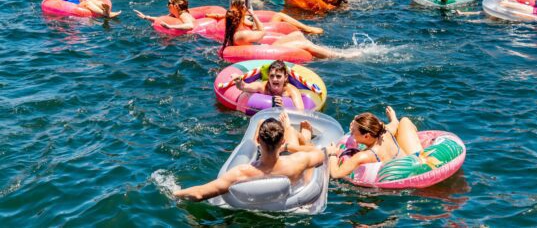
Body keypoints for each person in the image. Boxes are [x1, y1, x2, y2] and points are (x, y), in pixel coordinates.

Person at [174, 113, 324, 201]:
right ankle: (302, 135)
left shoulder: (241, 172)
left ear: (258, 140)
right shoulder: (298, 161)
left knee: (265, 128)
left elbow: (199, 194)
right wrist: (290, 147)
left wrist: (173, 192)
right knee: (293, 132)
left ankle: (272, 129)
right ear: (282, 141)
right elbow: (319, 155)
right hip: (287, 198)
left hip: (250, 202)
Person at [221, 0, 353, 59]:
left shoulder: (237, 29)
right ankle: (339, 55)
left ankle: (321, 52)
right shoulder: (242, 34)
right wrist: (253, 14)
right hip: (266, 54)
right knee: (305, 44)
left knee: (297, 35)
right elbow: (261, 32)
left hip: (264, 49)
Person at [327, 107, 427, 179]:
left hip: (400, 175)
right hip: (411, 160)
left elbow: (335, 174)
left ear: (366, 136)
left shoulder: (365, 156)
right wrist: (393, 119)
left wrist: (333, 153)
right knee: (404, 121)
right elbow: (394, 125)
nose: (351, 134)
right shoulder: (384, 132)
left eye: (353, 132)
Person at [233, 59, 305, 109]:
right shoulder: (262, 86)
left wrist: (284, 108)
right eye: (272, 76)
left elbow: (301, 113)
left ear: (285, 77)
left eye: (278, 76)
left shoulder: (292, 91)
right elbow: (244, 86)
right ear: (268, 76)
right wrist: (239, 81)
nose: (274, 79)